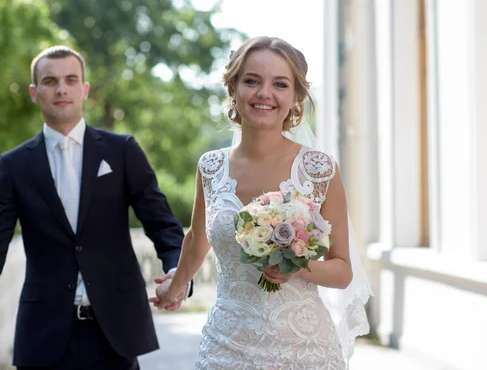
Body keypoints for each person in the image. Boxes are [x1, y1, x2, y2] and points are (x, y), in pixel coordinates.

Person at [0, 45, 191, 370]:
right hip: (43, 335)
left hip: (115, 332)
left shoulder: (122, 152)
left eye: (70, 79)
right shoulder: (14, 166)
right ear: (35, 93)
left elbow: (162, 224)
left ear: (85, 89)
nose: (61, 88)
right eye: (50, 81)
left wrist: (179, 274)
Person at [151, 36, 371, 369]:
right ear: (233, 88)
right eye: (251, 81)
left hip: (303, 349)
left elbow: (342, 271)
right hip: (226, 345)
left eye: (279, 84)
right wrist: (176, 286)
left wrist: (299, 264)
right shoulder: (210, 167)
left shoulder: (319, 170)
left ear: (295, 97)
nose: (264, 93)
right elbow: (197, 241)